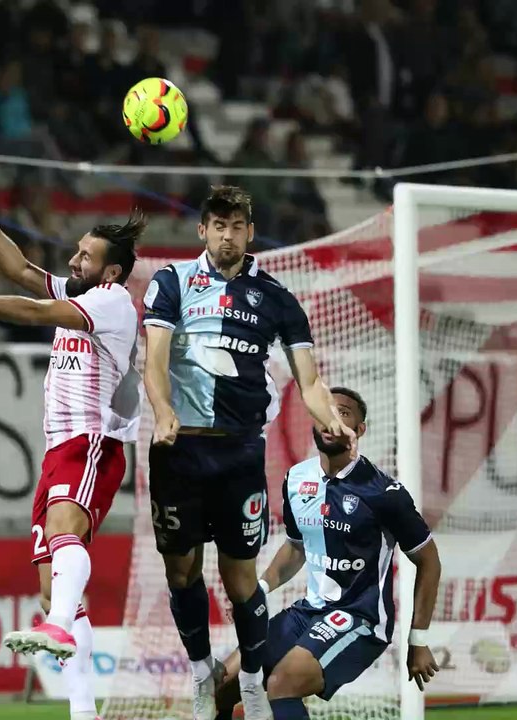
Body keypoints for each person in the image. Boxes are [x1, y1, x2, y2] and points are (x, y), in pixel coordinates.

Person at [0, 169, 144, 720]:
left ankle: (58, 627)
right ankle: (83, 708)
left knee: (68, 544)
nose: (74, 262)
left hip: (92, 442)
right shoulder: (81, 290)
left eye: (86, 256)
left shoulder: (113, 301)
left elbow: (38, 311)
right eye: (76, 253)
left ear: (111, 271)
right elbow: (16, 267)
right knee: (54, 590)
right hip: (57, 451)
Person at [142, 185, 356, 720]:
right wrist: (164, 412)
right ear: (202, 230)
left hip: (239, 455)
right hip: (180, 450)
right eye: (218, 225)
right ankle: (200, 675)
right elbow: (154, 361)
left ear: (250, 232)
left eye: (237, 226)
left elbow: (309, 381)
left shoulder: (278, 298)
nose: (227, 235)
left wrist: (329, 416)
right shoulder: (171, 283)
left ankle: (254, 683)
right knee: (181, 573)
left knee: (241, 581)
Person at [212, 387, 443, 719]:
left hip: (359, 619)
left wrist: (417, 639)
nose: (331, 419)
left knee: (283, 683)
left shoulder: (384, 493)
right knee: (221, 685)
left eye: (344, 413)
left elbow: (429, 561)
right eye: (324, 411)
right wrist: (258, 592)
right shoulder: (296, 479)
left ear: (359, 430)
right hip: (308, 612)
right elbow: (295, 548)